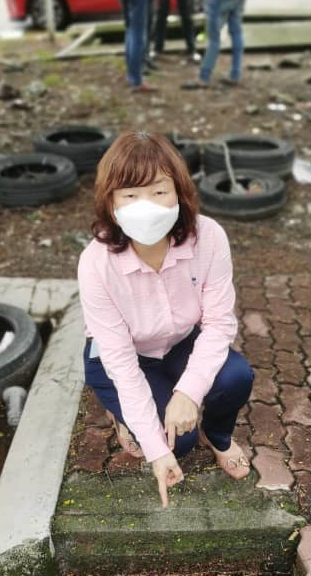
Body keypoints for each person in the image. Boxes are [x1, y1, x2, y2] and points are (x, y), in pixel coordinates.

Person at [78, 131, 254, 509]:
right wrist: (158, 452)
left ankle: (219, 437)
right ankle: (120, 417)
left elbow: (220, 324)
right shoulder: (96, 263)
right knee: (177, 443)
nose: (146, 206)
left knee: (236, 377)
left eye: (159, 192)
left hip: (179, 342)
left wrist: (189, 392)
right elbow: (121, 363)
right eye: (129, 194)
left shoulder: (208, 237)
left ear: (179, 192)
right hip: (123, 357)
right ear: (110, 202)